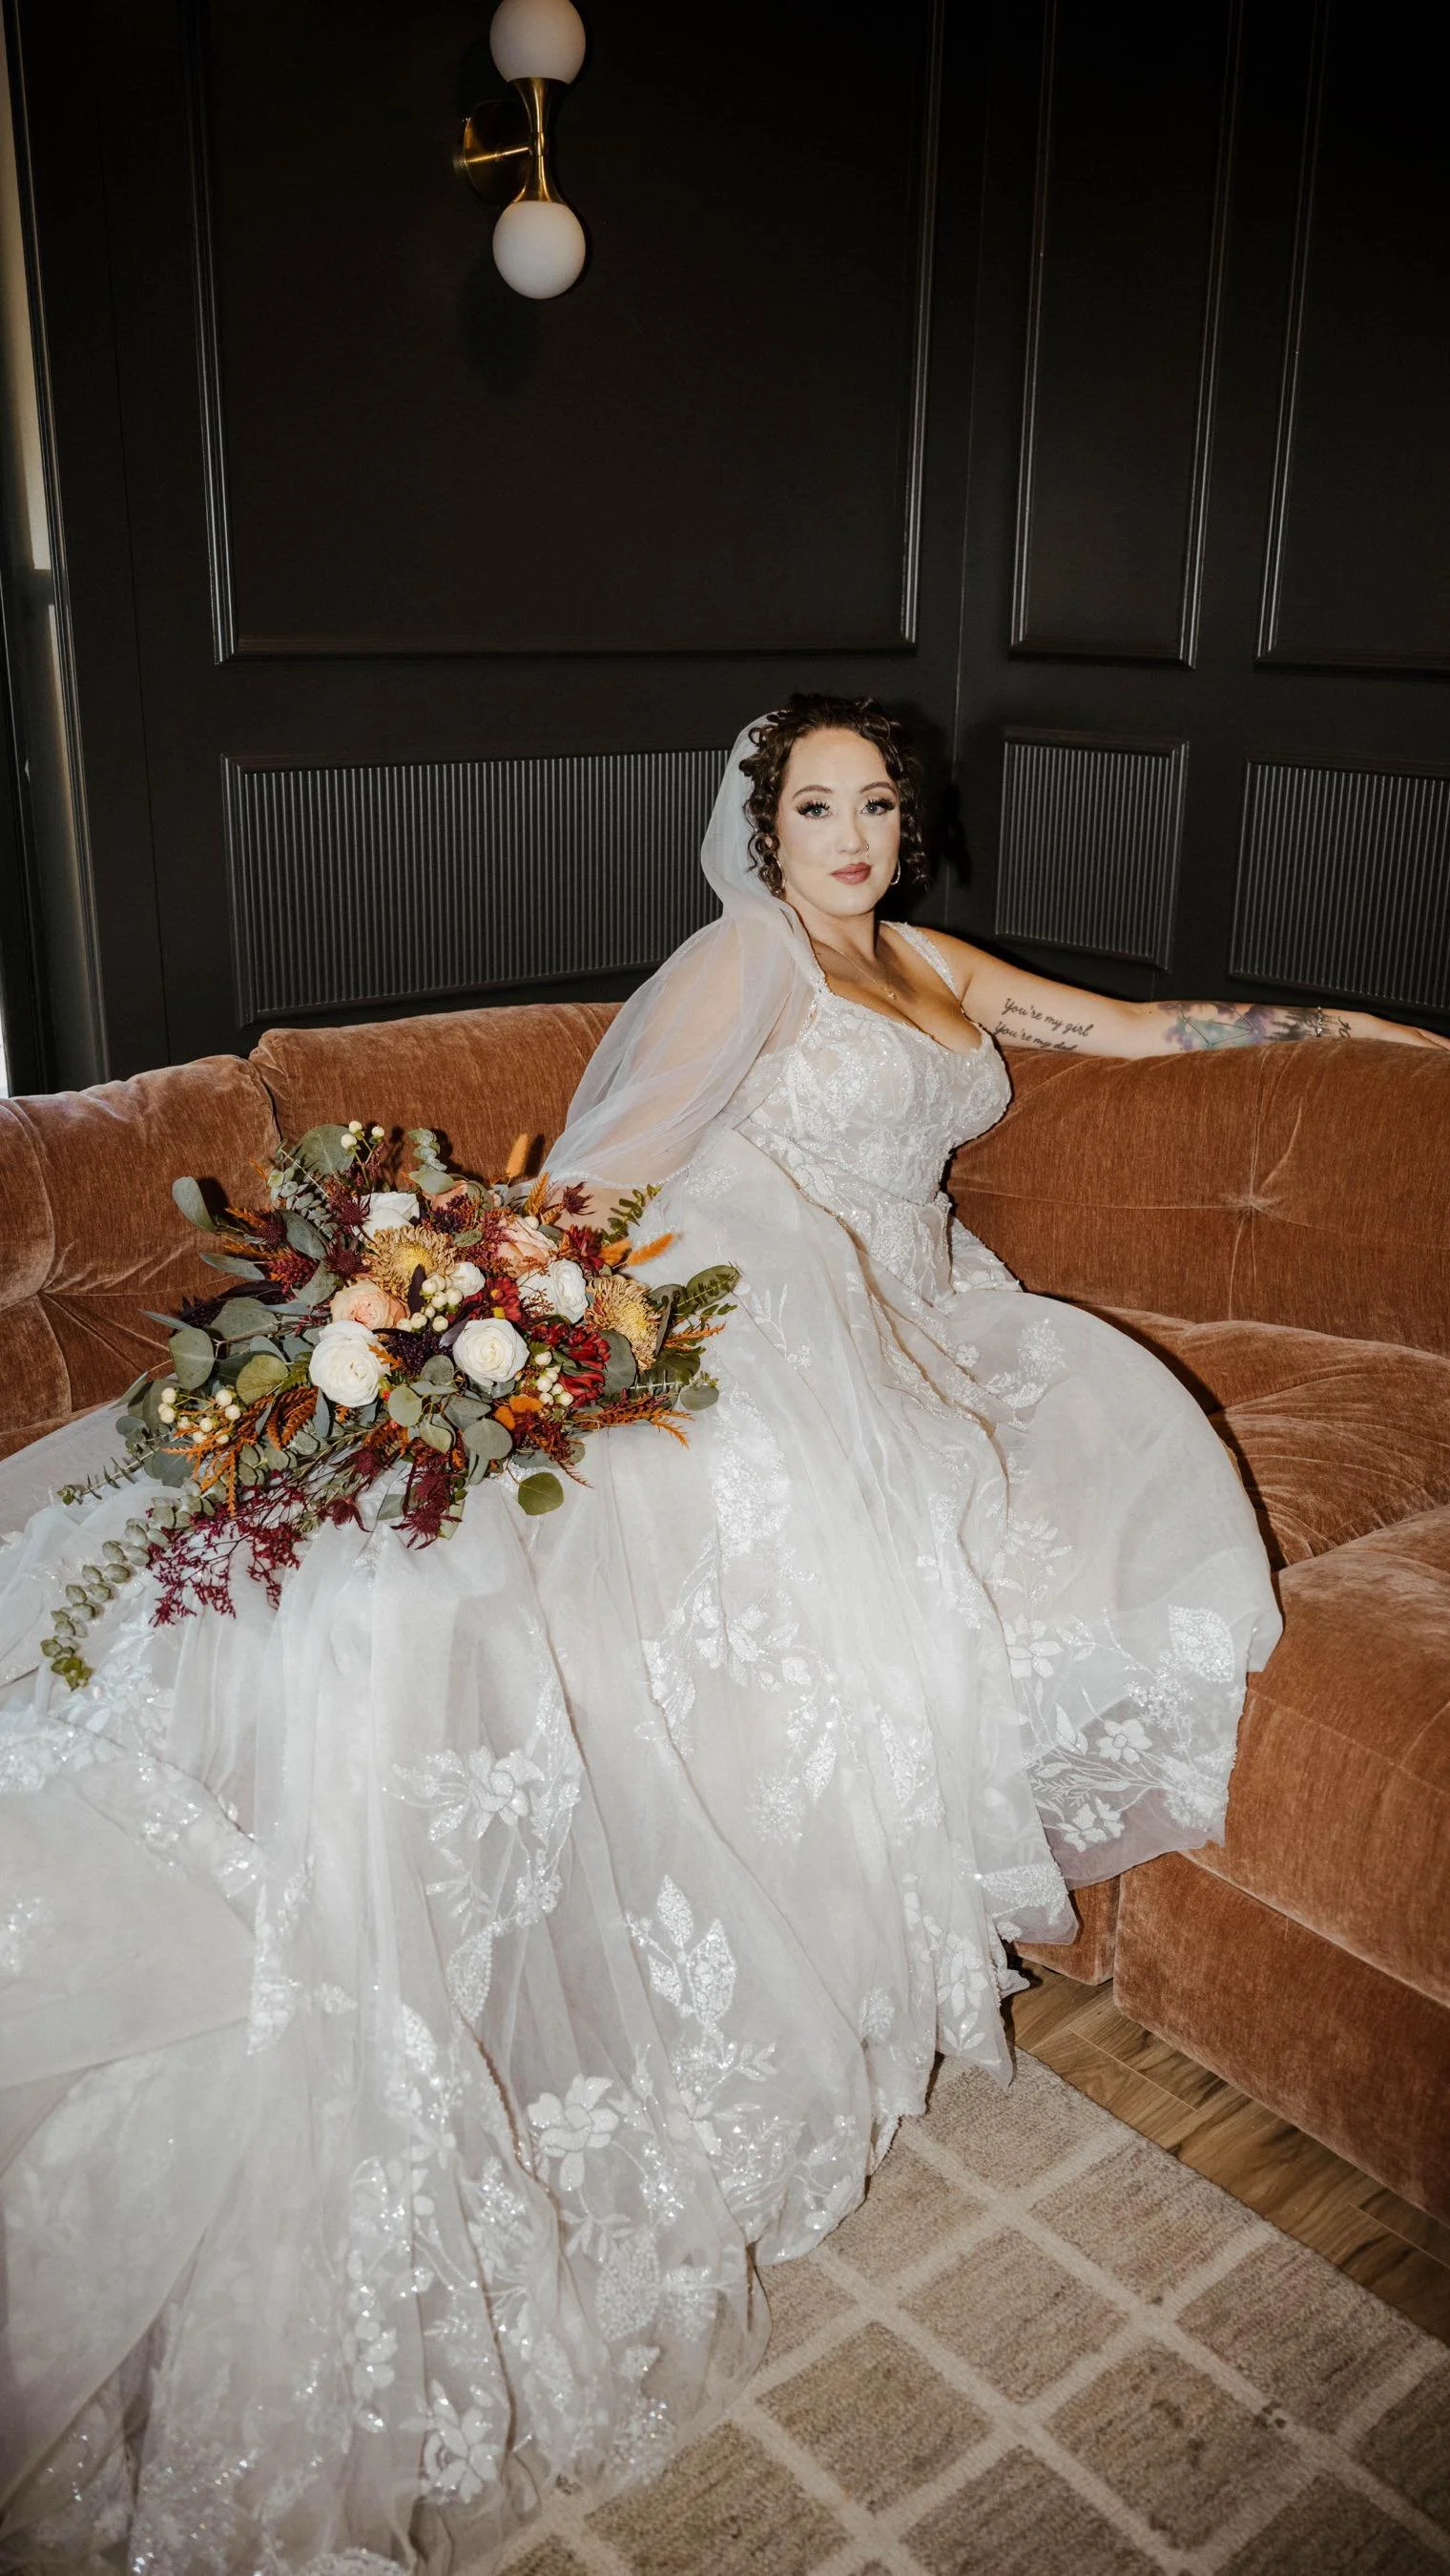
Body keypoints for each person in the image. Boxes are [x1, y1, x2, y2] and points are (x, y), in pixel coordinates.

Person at [0, 695, 1439, 2575]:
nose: (849, 835)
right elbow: (609, 1172)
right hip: (772, 1317)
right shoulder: (744, 961)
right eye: (815, 805)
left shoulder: (933, 963)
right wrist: (465, 1322)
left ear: (908, 826)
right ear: (766, 831)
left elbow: (1142, 1027)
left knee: (1107, 1485)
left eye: (876, 804)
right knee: (694, 1573)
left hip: (936, 1310)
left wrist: (1369, 1031)